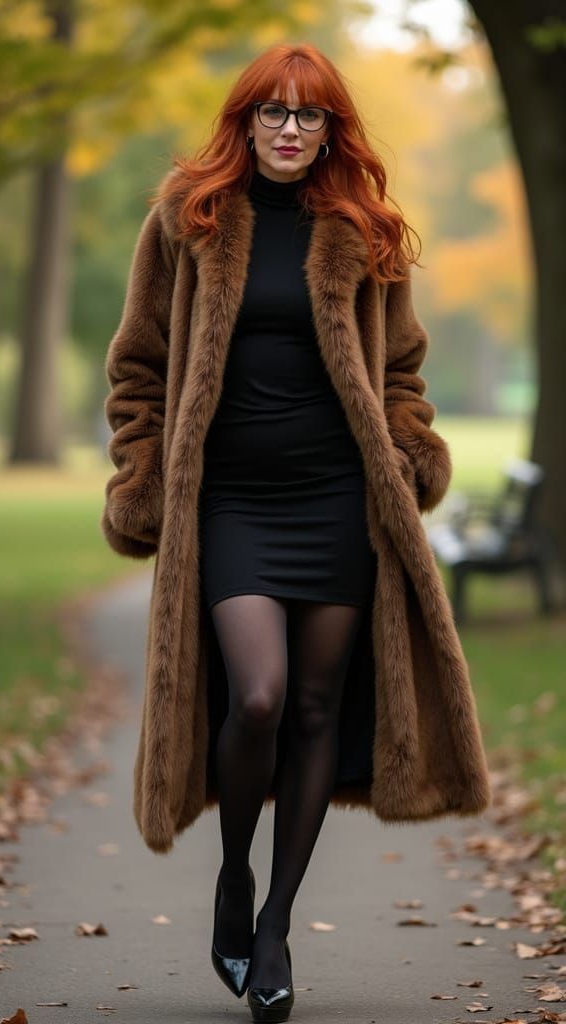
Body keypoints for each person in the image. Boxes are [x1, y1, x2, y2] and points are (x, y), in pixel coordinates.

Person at [101, 41, 491, 1024]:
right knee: (262, 695)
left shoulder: (364, 232)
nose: (288, 129)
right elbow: (137, 370)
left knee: (318, 707)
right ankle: (233, 874)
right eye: (271, 112)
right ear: (244, 124)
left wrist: (411, 450)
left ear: (329, 131)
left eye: (308, 115)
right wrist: (142, 472)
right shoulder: (185, 223)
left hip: (337, 500)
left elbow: (400, 372)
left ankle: (274, 921)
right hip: (228, 500)